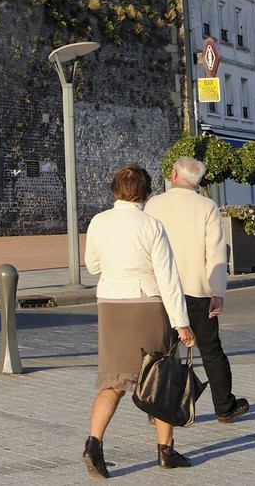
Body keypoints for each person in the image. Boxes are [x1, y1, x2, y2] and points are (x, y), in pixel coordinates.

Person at [82, 163, 197, 478]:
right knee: (161, 379)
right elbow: (168, 278)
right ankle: (166, 451)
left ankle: (94, 444)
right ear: (146, 192)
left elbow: (92, 266)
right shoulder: (152, 226)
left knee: (113, 382)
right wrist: (181, 323)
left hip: (111, 305)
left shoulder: (99, 222)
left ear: (115, 190)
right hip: (146, 304)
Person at [146, 156, 250, 428]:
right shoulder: (207, 206)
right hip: (197, 289)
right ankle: (225, 407)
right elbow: (215, 252)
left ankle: (157, 408)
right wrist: (218, 291)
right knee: (211, 350)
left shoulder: (154, 204)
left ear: (174, 175)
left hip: (161, 290)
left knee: (163, 352)